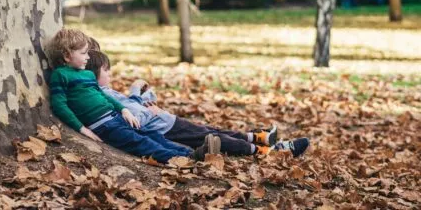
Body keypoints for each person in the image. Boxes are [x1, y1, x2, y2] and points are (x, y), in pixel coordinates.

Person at [85, 48, 310, 158]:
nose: (111, 74)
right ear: (94, 73)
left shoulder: (103, 91)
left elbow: (134, 109)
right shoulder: (101, 94)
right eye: (106, 70)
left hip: (166, 121)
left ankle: (258, 137)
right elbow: (134, 116)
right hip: (164, 128)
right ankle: (269, 151)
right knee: (215, 138)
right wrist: (137, 93)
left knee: (212, 130)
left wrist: (145, 98)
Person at [46, 28, 221, 164]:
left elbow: (104, 96)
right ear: (67, 55)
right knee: (141, 143)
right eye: (83, 53)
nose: (87, 57)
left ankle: (192, 153)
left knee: (153, 136)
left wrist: (124, 110)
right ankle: (183, 159)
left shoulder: (87, 75)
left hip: (116, 117)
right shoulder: (61, 75)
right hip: (103, 126)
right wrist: (82, 129)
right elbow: (60, 105)